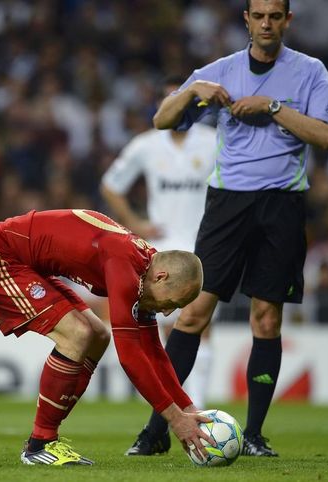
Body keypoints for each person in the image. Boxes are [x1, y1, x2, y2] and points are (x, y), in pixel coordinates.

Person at [132, 0, 328, 457]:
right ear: (246, 20)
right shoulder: (219, 71)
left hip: (282, 205)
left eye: (275, 16)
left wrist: (272, 107)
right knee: (191, 314)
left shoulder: (310, 72)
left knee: (266, 319)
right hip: (228, 205)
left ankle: (254, 435)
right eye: (258, 15)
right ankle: (155, 431)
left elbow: (326, 135)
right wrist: (191, 94)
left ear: (287, 20)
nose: (266, 23)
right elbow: (161, 120)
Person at [0, 208, 215, 466]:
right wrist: (174, 419)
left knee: (97, 335)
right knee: (77, 334)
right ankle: (40, 444)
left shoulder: (144, 270)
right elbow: (130, 357)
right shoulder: (124, 264)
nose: (168, 311)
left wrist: (187, 408)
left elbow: (153, 350)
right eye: (172, 302)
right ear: (162, 277)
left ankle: (44, 440)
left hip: (23, 263)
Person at [101, 75, 217, 456]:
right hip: (159, 251)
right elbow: (111, 184)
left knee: (198, 325)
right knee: (156, 330)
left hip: (202, 248)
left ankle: (194, 400)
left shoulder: (213, 141)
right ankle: (173, 409)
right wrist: (134, 223)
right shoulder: (146, 145)